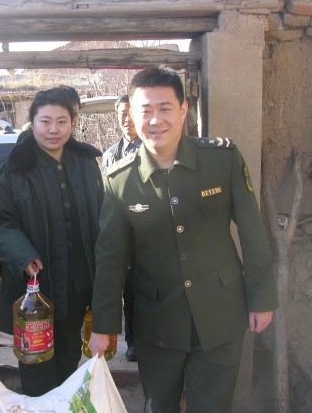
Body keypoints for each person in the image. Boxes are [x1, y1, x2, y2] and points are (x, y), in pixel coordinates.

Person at [88, 66, 277, 413]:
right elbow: (110, 257)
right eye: (145, 110)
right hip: (157, 322)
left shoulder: (221, 160)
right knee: (158, 406)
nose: (155, 120)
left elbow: (252, 232)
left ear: (183, 110)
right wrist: (104, 326)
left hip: (221, 313)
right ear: (132, 115)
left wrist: (261, 298)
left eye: (165, 108)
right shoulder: (119, 180)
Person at [0, 87, 103, 396]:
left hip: (76, 284)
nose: (53, 130)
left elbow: (102, 217)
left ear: (73, 122)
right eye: (45, 121)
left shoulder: (86, 162)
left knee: (68, 357)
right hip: (34, 290)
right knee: (36, 364)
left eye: (62, 121)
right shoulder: (14, 167)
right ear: (32, 122)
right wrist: (22, 254)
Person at [100, 94, 142, 362]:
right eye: (121, 114)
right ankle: (132, 342)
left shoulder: (151, 149)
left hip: (147, 233)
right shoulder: (109, 155)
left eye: (131, 112)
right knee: (126, 291)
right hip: (120, 235)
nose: (127, 119)